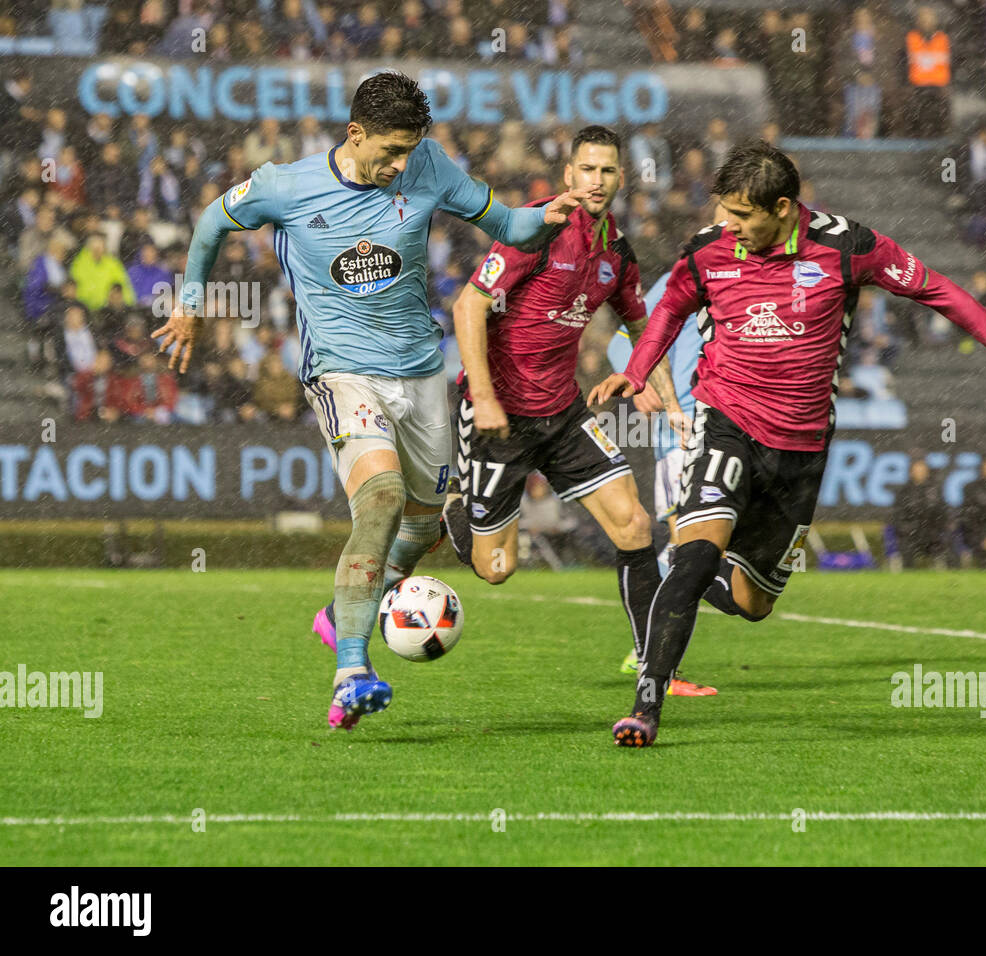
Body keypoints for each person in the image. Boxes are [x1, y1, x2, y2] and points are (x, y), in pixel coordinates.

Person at [151, 71, 593, 730]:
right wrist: (189, 306)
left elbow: (506, 223)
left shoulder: (429, 166)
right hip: (341, 373)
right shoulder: (286, 185)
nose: (400, 166)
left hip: (418, 373)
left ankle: (343, 614)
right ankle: (352, 671)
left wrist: (545, 219)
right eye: (389, 152)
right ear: (354, 134)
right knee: (380, 497)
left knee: (422, 526)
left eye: (409, 152)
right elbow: (213, 221)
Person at [589, 140, 986, 746]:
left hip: (801, 448)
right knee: (693, 552)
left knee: (754, 605)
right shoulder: (709, 252)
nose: (728, 227)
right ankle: (647, 704)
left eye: (742, 216)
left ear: (784, 207)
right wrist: (636, 373)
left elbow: (937, 290)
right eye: (725, 213)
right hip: (725, 420)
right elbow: (667, 313)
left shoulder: (849, 247)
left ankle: (707, 577)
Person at [440, 125, 712, 696]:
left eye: (608, 171)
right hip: (499, 416)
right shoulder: (533, 230)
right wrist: (484, 399)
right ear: (569, 175)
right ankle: (456, 508)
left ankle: (651, 666)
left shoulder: (615, 248)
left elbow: (642, 323)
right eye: (587, 169)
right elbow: (468, 306)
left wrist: (655, 387)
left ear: (620, 178)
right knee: (497, 571)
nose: (597, 180)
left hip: (562, 413)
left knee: (635, 524)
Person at [607, 249, 718, 695]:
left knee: (697, 547)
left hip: (724, 423)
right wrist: (643, 382)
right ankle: (653, 658)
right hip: (685, 427)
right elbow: (621, 340)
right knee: (686, 544)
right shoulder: (693, 274)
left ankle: (650, 652)